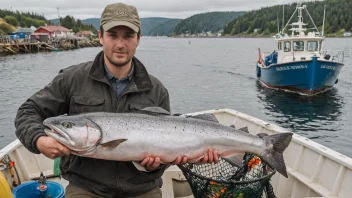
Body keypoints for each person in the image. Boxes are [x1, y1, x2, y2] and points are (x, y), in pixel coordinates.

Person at [14, 2, 218, 198]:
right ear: (101, 36)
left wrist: (155, 165)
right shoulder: (72, 79)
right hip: (86, 187)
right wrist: (38, 140)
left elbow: (165, 151)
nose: (120, 44)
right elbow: (28, 111)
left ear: (138, 38)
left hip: (142, 189)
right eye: (113, 35)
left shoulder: (157, 90)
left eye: (128, 36)